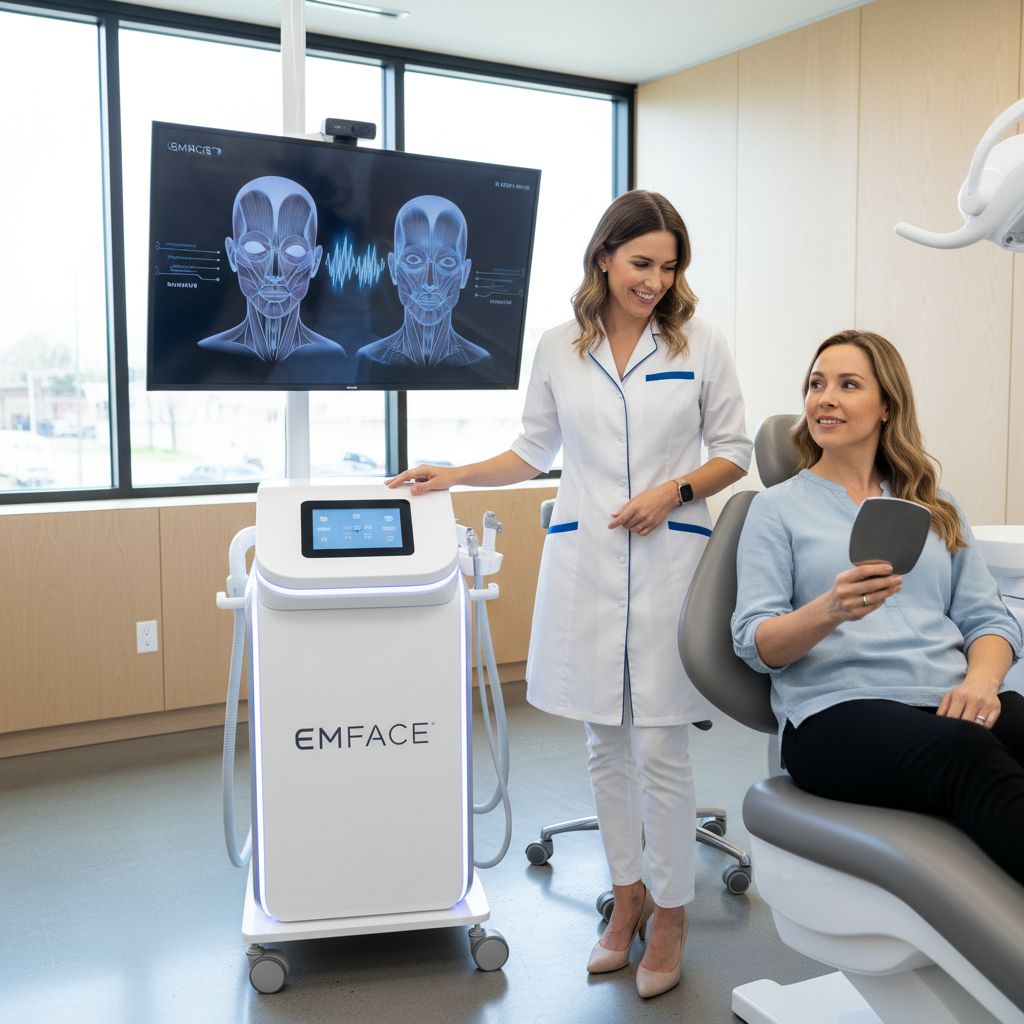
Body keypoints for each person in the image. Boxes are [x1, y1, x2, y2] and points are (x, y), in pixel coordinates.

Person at [388, 190, 752, 997]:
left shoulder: (698, 343)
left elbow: (734, 450)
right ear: (604, 258)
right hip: (586, 561)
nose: (655, 280)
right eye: (641, 263)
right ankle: (624, 905)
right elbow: (532, 451)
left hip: (667, 563)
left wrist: (674, 493)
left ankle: (673, 912)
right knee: (603, 743)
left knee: (659, 744)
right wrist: (452, 473)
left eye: (668, 266)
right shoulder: (560, 346)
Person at [732, 330, 1024, 886]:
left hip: (944, 699)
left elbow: (988, 620)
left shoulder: (934, 507)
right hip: (835, 715)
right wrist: (831, 609)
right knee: (971, 756)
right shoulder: (776, 510)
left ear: (886, 406)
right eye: (817, 384)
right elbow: (755, 642)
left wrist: (982, 683)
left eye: (848, 385)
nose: (826, 398)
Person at [197, 176, 346, 362]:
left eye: (294, 249)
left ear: (315, 261)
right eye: (255, 247)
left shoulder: (332, 355)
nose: (274, 273)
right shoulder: (207, 353)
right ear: (231, 254)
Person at [355, 195, 493, 379]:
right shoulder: (369, 357)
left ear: (464, 273)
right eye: (413, 259)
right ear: (394, 268)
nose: (430, 283)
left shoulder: (481, 361)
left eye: (446, 261)